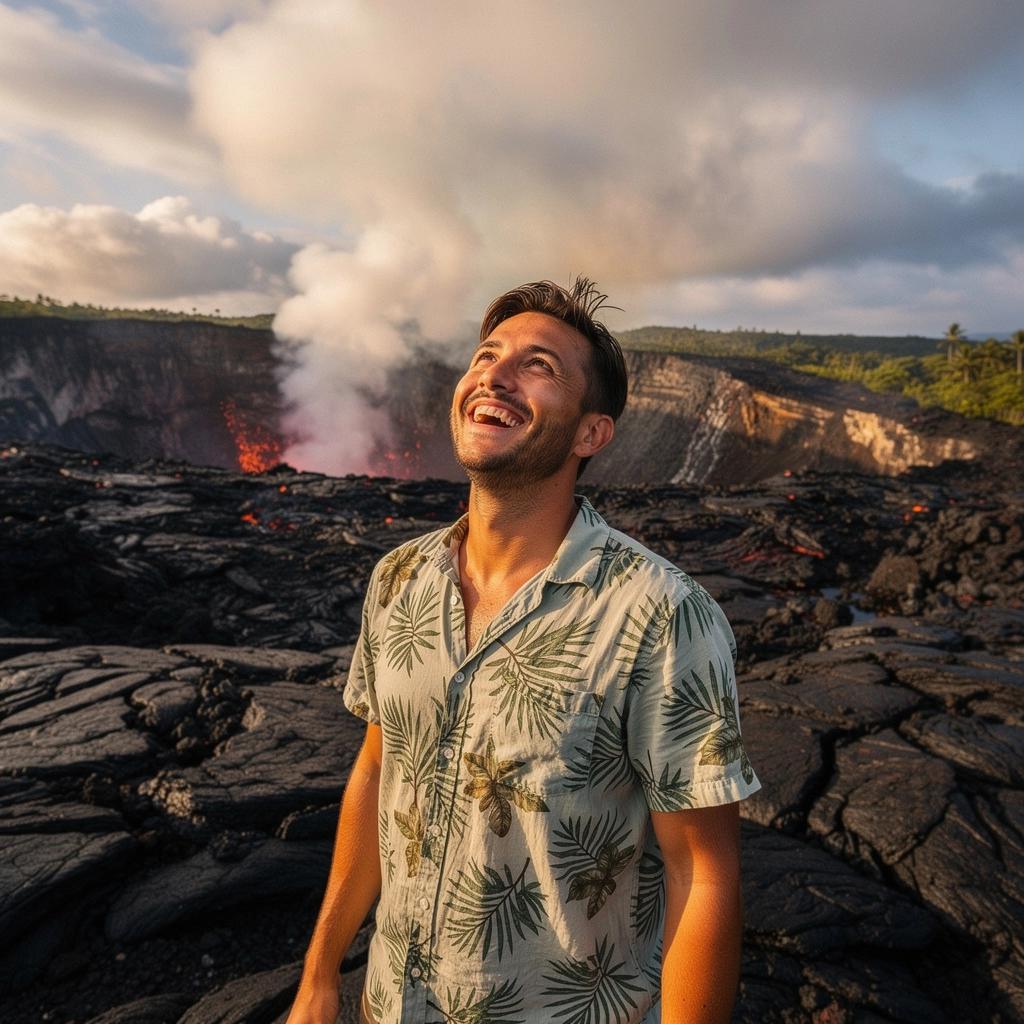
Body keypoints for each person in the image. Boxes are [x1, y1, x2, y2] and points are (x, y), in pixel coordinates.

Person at [286, 278, 761, 1024]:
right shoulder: (400, 580)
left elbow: (700, 873)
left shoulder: (660, 615)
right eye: (487, 355)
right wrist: (319, 974)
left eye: (538, 365)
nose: (494, 375)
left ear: (590, 434)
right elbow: (380, 769)